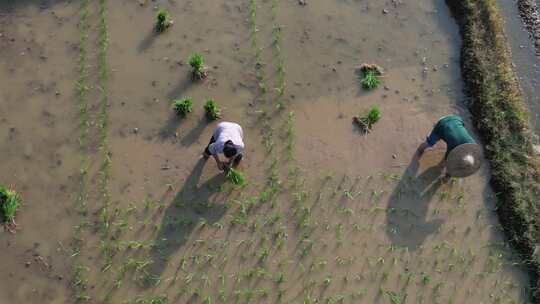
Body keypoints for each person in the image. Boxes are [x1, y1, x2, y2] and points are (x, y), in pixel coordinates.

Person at [418, 115, 483, 177]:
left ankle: (446, 131)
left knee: (453, 133)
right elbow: (443, 163)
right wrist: (447, 174)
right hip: (442, 124)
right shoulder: (453, 149)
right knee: (429, 143)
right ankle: (419, 151)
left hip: (456, 119)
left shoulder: (473, 146)